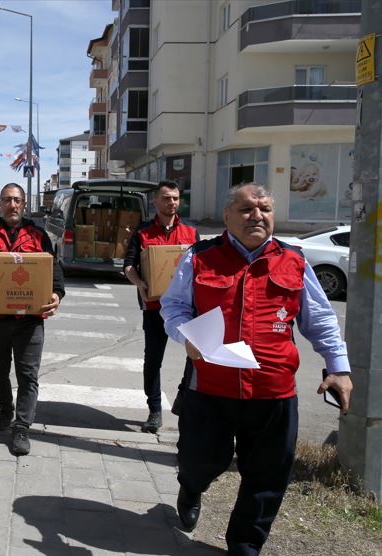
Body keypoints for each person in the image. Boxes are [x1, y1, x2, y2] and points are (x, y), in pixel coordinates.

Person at [160, 183, 352, 555]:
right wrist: (186, 335)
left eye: (264, 209)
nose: (257, 216)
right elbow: (173, 307)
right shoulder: (200, 256)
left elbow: (322, 322)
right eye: (247, 209)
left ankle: (246, 544)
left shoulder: (294, 261)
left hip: (273, 393)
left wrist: (338, 367)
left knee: (267, 476)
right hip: (209, 389)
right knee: (199, 461)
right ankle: (192, 485)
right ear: (228, 215)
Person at [0, 183, 65, 456]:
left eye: (17, 200)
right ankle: (5, 410)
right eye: (8, 200)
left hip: (30, 321)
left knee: (27, 375)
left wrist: (56, 295)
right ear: (0, 203)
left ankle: (21, 427)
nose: (12, 205)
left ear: (24, 204)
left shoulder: (38, 235)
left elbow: (55, 274)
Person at [123, 180, 199, 433]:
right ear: (155, 201)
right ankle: (155, 410)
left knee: (196, 355)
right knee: (153, 360)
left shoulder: (190, 232)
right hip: (154, 307)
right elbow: (129, 265)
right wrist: (140, 284)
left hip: (187, 307)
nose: (172, 202)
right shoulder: (143, 232)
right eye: (166, 198)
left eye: (176, 198)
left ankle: (182, 394)